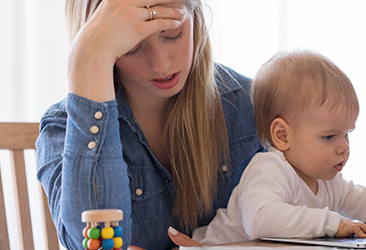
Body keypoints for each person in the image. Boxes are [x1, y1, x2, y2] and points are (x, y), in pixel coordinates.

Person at [35, 0, 263, 249]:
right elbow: (94, 243)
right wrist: (86, 61)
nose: (161, 64)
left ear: (195, 16)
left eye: (172, 34)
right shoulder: (62, 129)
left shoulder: (250, 102)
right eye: (132, 47)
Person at [169, 51, 366, 246]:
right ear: (282, 135)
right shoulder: (269, 169)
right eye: (329, 136)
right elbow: (260, 220)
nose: (344, 147)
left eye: (347, 134)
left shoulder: (329, 181)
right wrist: (334, 224)